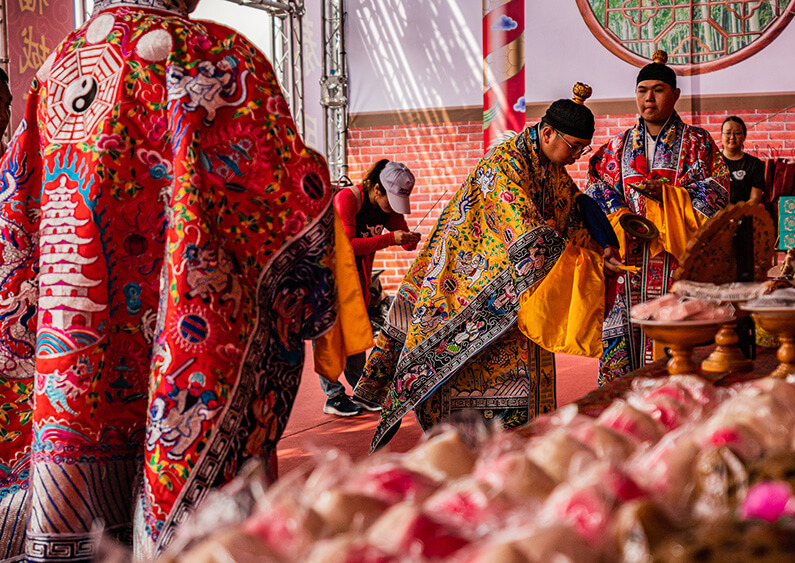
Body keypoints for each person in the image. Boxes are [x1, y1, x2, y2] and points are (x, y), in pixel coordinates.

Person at [0, 0, 370, 559]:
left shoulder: (60, 63)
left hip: (72, 367)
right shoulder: (213, 55)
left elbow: (16, 217)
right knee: (201, 544)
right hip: (191, 362)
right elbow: (286, 204)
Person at [354, 83, 622, 453]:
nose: (577, 157)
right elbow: (527, 237)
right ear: (547, 133)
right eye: (574, 147)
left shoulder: (552, 171)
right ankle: (454, 455)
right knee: (454, 376)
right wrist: (585, 261)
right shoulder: (502, 164)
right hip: (459, 290)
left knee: (522, 393)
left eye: (583, 149)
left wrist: (601, 250)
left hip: (515, 299)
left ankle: (514, 457)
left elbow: (571, 216)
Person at [586, 50, 730, 385]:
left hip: (677, 259)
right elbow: (596, 189)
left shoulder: (698, 142)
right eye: (642, 90)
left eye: (658, 90)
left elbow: (718, 189)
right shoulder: (616, 146)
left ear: (675, 95)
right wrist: (620, 214)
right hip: (629, 260)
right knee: (625, 347)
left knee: (679, 345)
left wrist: (669, 197)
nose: (648, 98)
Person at [314, 160, 421, 416]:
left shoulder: (387, 208)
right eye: (390, 201)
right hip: (327, 272)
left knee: (357, 330)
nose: (392, 208)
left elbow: (406, 242)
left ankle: (360, 390)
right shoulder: (348, 199)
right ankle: (333, 396)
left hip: (357, 275)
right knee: (330, 333)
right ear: (376, 188)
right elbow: (346, 245)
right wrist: (390, 239)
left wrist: (410, 239)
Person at [720, 115, 766, 205]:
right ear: (721, 135)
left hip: (745, 212)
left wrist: (737, 212)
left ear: (744, 136)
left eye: (737, 133)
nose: (732, 137)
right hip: (717, 213)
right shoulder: (712, 162)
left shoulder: (754, 164)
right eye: (728, 133)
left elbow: (755, 199)